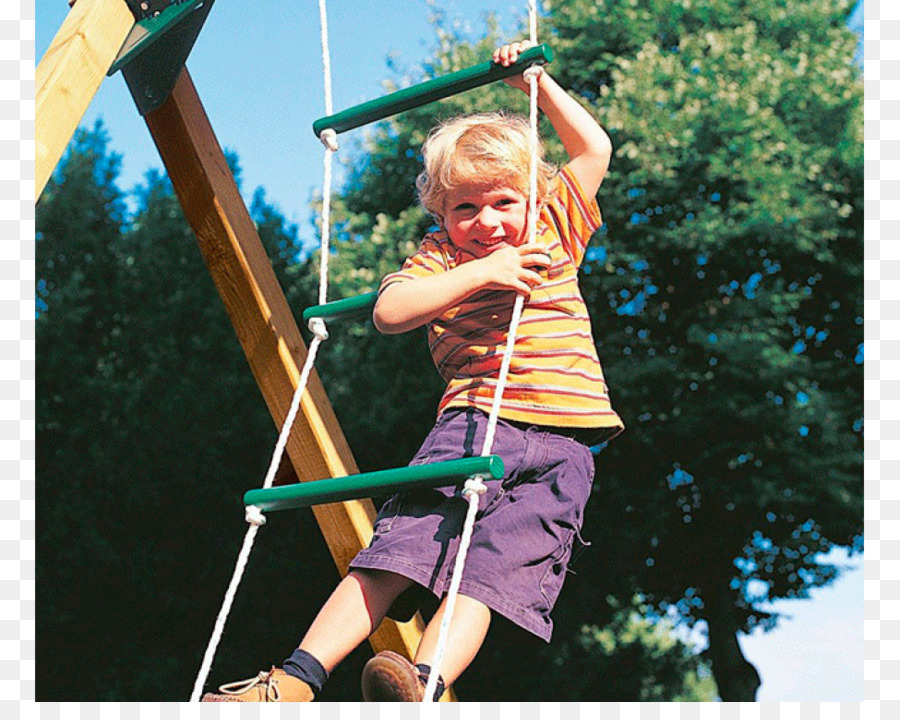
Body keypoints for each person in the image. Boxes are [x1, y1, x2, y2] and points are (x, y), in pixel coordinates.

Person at [202, 40, 623, 703]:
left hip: (568, 448)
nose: (485, 222)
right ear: (441, 215)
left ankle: (419, 685)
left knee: (489, 580)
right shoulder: (443, 258)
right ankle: (291, 681)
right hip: (476, 423)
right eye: (464, 208)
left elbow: (593, 149)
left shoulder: (554, 226)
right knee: (395, 554)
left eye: (502, 202)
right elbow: (391, 311)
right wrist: (483, 272)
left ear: (533, 197)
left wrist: (534, 86)